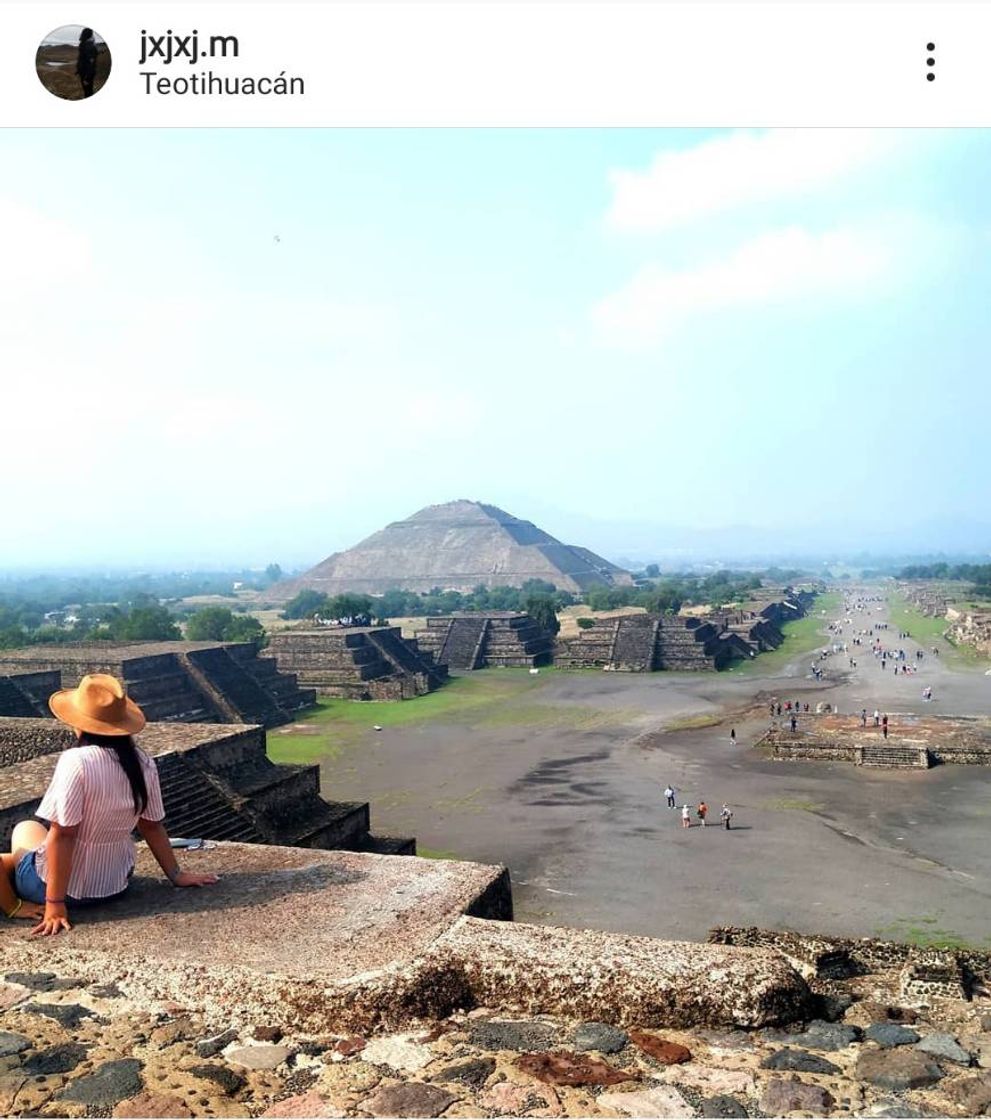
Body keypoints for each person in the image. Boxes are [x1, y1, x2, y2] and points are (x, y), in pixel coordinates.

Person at [7, 674, 218, 937]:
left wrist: (55, 903)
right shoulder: (142, 761)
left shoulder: (76, 761)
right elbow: (151, 825)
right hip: (114, 885)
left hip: (55, 891)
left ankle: (12, 890)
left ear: (79, 723)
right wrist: (176, 874)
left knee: (24, 829)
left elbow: (63, 835)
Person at [77, 28, 98, 98]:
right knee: (87, 91)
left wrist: (87, 78)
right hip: (84, 72)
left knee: (88, 92)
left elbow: (91, 64)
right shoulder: (85, 45)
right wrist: (78, 69)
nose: (81, 35)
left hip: (87, 74)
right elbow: (82, 59)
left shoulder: (89, 47)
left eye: (82, 33)